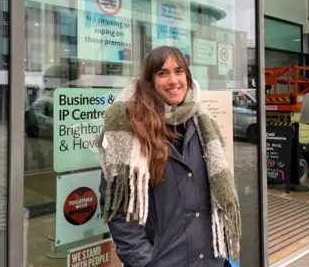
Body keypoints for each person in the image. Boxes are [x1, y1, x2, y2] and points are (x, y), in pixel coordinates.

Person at [97, 46, 241, 267]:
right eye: (162, 73)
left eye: (179, 71)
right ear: (150, 81)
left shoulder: (203, 125)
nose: (173, 80)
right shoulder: (128, 130)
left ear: (187, 76)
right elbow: (118, 211)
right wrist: (147, 262)